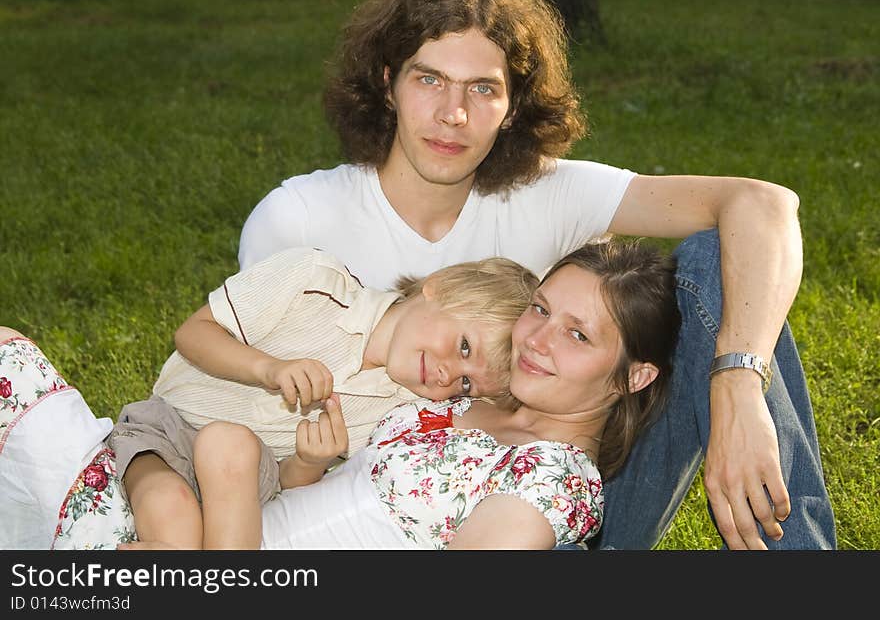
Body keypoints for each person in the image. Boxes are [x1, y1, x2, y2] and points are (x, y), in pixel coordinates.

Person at [237, 0, 835, 549]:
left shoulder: (546, 193)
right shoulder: (300, 220)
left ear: (514, 106)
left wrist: (736, 383)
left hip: (563, 499)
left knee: (717, 260)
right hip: (375, 500)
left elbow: (763, 205)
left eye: (483, 89)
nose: (454, 114)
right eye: (428, 80)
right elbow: (244, 408)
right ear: (389, 83)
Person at [0, 238, 682, 550]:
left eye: (578, 335)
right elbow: (306, 492)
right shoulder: (457, 402)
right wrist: (301, 466)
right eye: (539, 309)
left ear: (633, 375)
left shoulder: (552, 479)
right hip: (196, 512)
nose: (537, 340)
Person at [104, 247, 538, 549]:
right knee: (171, 510)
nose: (448, 374)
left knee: (228, 443)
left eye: (466, 385)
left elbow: (290, 488)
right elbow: (191, 333)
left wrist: (309, 463)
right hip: (163, 430)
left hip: (247, 480)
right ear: (439, 287)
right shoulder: (314, 281)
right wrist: (268, 368)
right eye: (464, 347)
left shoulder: (398, 415)